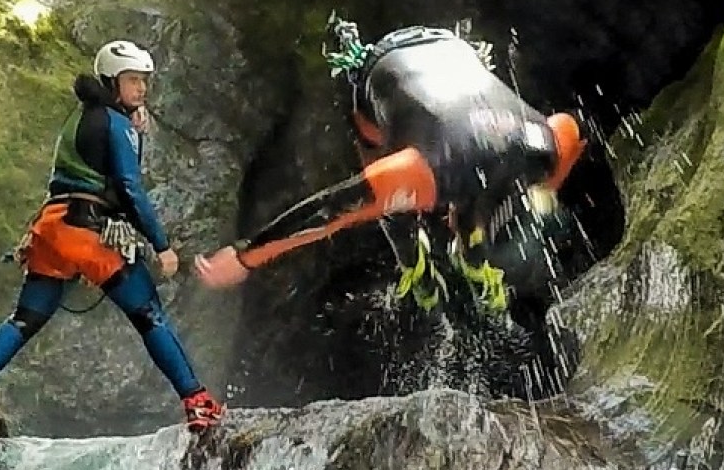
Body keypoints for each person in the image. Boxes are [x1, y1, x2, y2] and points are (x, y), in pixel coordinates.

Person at [194, 20, 584, 308]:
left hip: (453, 51)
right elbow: (330, 210)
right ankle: (416, 259)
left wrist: (246, 256)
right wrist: (245, 256)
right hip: (379, 68)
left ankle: (462, 252)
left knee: (463, 179)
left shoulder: (547, 146)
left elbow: (568, 126)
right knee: (386, 184)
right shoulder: (418, 174)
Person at [0, 40, 224, 433]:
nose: (142, 89)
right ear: (113, 82)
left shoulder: (80, 118)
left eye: (144, 81)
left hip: (51, 229)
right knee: (149, 316)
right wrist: (162, 246)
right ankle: (197, 401)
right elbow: (131, 188)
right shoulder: (116, 123)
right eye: (133, 81)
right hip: (89, 234)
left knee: (25, 320)